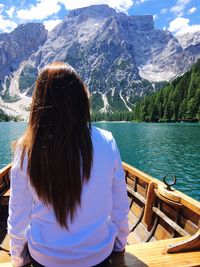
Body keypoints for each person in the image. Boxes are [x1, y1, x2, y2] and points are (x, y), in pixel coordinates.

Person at [8, 62, 129, 267]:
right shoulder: (107, 140)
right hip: (98, 257)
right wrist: (119, 245)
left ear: (38, 103)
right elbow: (120, 207)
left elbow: (18, 216)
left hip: (44, 259)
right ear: (81, 100)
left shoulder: (25, 149)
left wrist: (18, 260)